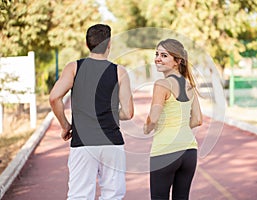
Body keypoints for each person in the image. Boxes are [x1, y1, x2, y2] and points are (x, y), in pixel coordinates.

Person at [49, 24, 134, 200]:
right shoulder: (119, 72)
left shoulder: (74, 68)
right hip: (112, 142)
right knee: (113, 196)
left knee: (79, 196)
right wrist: (108, 113)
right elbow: (128, 113)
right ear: (109, 43)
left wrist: (66, 126)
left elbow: (54, 98)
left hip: (83, 143)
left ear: (87, 44)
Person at [144, 39, 202, 200]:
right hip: (189, 151)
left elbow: (153, 118)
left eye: (164, 55)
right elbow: (197, 119)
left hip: (165, 151)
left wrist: (146, 128)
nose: (157, 58)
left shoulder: (162, 84)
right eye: (156, 54)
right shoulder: (190, 85)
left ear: (177, 61)